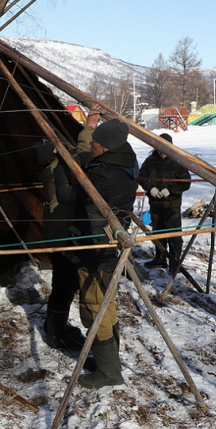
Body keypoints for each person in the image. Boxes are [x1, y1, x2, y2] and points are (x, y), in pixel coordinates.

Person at [54, 109, 137, 389]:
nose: (92, 146)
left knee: (95, 308)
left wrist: (62, 167)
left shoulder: (105, 176)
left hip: (96, 248)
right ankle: (106, 360)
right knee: (106, 306)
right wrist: (88, 130)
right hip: (103, 245)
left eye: (95, 142)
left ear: (107, 147)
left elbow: (68, 195)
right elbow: (91, 159)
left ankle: (109, 372)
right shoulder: (122, 160)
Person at [34, 139, 86, 351]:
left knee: (65, 283)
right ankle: (56, 334)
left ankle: (56, 325)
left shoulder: (50, 167)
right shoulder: (58, 170)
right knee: (64, 285)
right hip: (62, 235)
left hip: (56, 233)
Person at [137, 133, 192, 273]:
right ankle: (160, 258)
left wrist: (171, 190)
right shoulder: (150, 161)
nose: (162, 152)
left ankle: (174, 262)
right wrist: (150, 188)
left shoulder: (177, 162)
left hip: (172, 205)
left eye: (165, 148)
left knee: (173, 234)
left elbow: (186, 184)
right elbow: (141, 177)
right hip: (155, 204)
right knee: (158, 232)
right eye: (159, 148)